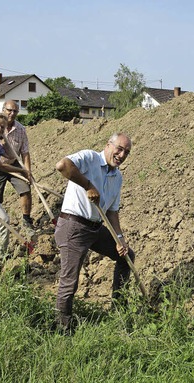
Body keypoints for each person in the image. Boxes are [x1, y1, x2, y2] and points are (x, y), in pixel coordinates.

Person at [54, 132, 135, 333]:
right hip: (73, 227)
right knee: (70, 280)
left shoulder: (117, 176)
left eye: (126, 152)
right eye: (119, 149)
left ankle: (119, 311)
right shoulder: (89, 158)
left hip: (95, 228)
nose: (122, 154)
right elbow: (62, 165)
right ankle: (62, 327)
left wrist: (119, 239)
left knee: (126, 256)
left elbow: (112, 211)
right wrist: (88, 185)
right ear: (108, 145)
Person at [0, 112, 30, 256]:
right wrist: (23, 170)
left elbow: (10, 155)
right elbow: (0, 165)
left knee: (3, 219)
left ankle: (2, 255)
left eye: (2, 127)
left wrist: (4, 138)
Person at [0, 100, 34, 231]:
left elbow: (25, 152)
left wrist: (27, 171)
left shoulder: (21, 129)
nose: (12, 113)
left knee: (25, 189)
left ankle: (26, 220)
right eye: (9, 110)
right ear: (3, 110)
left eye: (15, 111)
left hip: (13, 163)